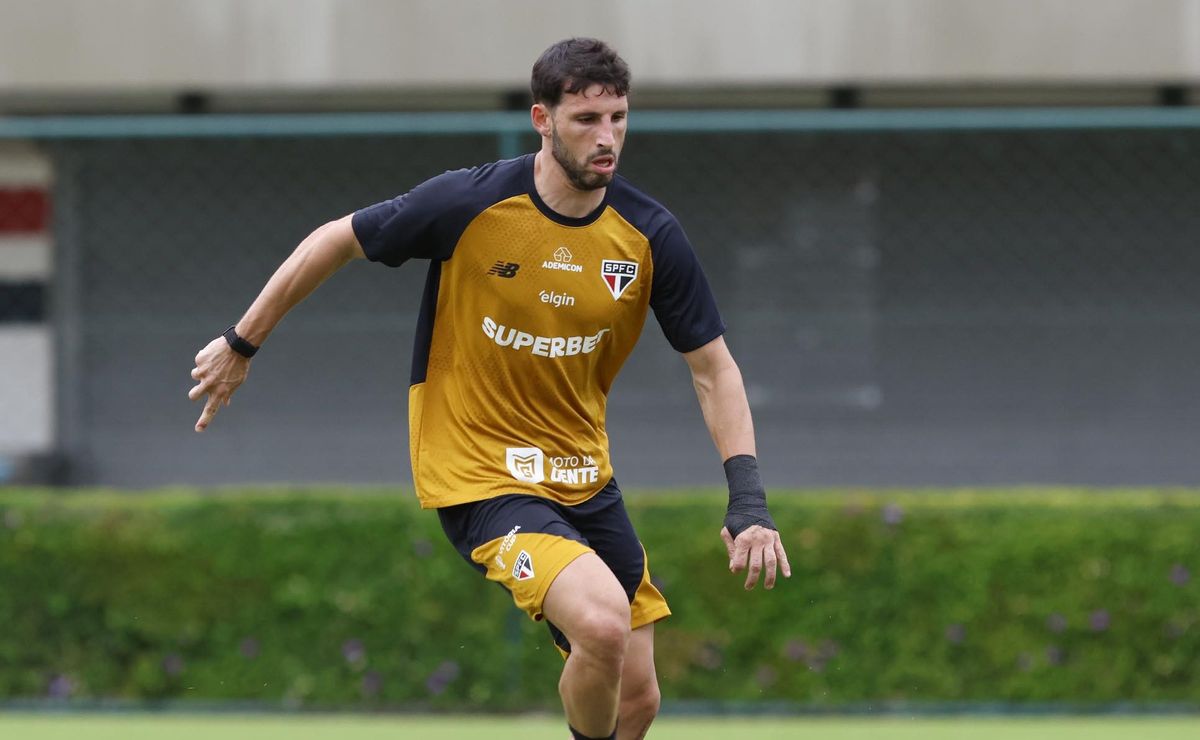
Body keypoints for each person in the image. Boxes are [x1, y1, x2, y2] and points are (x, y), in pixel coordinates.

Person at [189, 37, 790, 740]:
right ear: (542, 119)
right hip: (478, 474)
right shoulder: (468, 203)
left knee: (636, 700)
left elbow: (713, 368)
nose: (608, 139)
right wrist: (241, 342)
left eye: (619, 119)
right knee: (601, 623)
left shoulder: (649, 235)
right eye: (587, 121)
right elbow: (335, 239)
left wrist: (747, 497)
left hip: (584, 478)